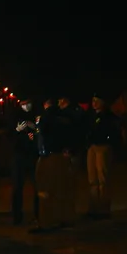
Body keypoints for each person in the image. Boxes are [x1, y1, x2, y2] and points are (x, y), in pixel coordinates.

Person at [31, 97, 76, 233]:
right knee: (61, 189)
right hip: (62, 156)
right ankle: (62, 219)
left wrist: (41, 152)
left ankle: (45, 223)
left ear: (45, 104)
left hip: (49, 156)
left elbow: (42, 136)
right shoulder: (65, 116)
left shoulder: (46, 117)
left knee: (44, 190)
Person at [85, 93, 122, 219]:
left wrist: (108, 141)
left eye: (97, 100)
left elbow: (114, 132)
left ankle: (103, 209)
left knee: (102, 178)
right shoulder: (92, 116)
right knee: (92, 178)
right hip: (92, 147)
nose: (94, 103)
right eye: (93, 100)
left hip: (103, 146)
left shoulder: (108, 116)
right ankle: (94, 207)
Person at [10, 97, 39, 225]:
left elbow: (42, 133)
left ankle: (38, 215)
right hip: (19, 156)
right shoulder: (14, 117)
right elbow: (8, 135)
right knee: (17, 188)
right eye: (24, 104)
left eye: (29, 103)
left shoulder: (36, 116)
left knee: (37, 187)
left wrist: (35, 130)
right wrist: (17, 130)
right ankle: (17, 216)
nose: (26, 106)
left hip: (33, 156)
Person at [57, 96, 86, 168]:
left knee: (71, 170)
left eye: (59, 100)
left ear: (63, 100)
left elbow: (71, 131)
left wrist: (68, 147)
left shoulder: (69, 114)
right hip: (69, 147)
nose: (58, 103)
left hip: (70, 148)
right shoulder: (71, 112)